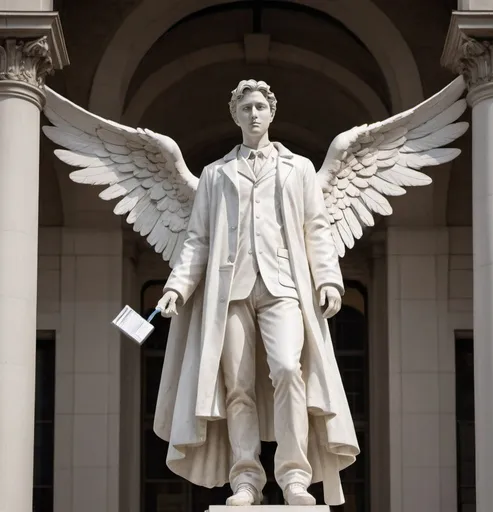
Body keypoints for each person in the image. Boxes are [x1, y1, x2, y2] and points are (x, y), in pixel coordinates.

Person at [155, 79, 358, 506]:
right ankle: (245, 478)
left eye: (260, 106)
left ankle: (294, 477)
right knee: (237, 387)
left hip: (284, 286)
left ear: (271, 112)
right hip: (231, 290)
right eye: (246, 107)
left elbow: (315, 228)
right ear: (235, 115)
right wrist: (177, 287)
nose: (253, 114)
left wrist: (327, 278)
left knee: (288, 369)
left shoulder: (299, 168)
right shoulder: (215, 174)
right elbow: (198, 239)